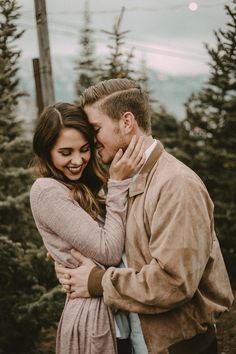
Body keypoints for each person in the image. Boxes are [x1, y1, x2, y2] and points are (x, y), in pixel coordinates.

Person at [55, 79, 234, 354]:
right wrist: (68, 262)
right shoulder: (119, 179)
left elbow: (174, 282)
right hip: (136, 343)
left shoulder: (176, 184)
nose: (89, 140)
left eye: (95, 129)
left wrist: (96, 282)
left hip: (179, 347)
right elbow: (114, 249)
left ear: (127, 122)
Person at [30, 102, 145, 354]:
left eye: (84, 149)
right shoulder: (46, 190)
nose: (77, 160)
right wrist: (117, 184)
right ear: (46, 151)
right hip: (96, 321)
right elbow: (108, 250)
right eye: (65, 152)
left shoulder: (83, 185)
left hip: (119, 312)